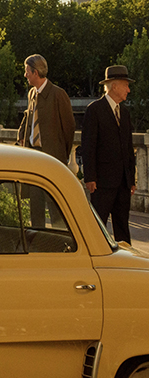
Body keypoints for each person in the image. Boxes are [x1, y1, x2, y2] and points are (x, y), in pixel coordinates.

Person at [81, 65, 136, 245]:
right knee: (98, 228)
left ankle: (126, 265)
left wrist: (132, 179)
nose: (128, 89)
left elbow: (128, 149)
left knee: (122, 228)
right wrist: (90, 177)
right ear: (114, 86)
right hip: (101, 184)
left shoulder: (125, 113)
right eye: (125, 85)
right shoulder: (94, 110)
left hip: (123, 183)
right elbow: (88, 146)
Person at [17, 55, 75, 164]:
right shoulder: (32, 93)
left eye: (27, 71)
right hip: (31, 154)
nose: (25, 75)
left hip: (52, 157)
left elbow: (69, 127)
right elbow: (28, 116)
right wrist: (21, 135)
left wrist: (63, 154)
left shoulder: (58, 94)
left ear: (36, 73)